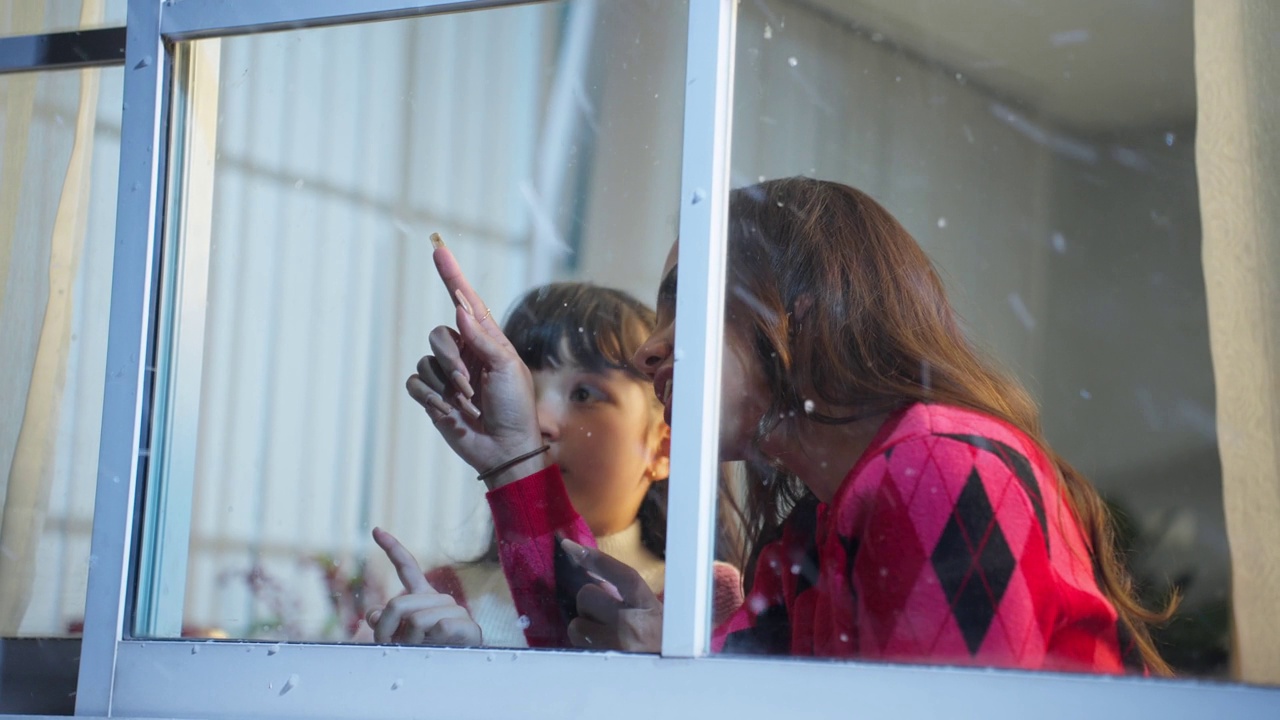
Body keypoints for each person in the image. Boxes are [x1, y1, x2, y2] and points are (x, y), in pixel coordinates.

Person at [403, 178, 1174, 674]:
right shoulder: (812, 537)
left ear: (799, 317)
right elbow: (595, 664)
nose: (650, 348)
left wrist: (673, 669)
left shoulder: (934, 466)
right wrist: (511, 458)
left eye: (690, 301)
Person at [365, 282, 743, 648]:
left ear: (665, 448)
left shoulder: (700, 597)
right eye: (524, 390)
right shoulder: (441, 596)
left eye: (584, 394)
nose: (538, 421)